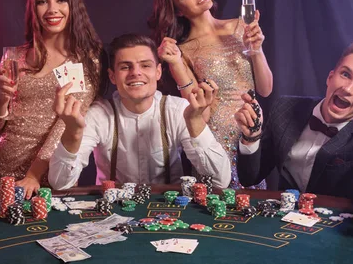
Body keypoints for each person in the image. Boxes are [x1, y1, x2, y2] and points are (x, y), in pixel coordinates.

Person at [235, 41, 353, 210]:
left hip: (334, 230)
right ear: (330, 77)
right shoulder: (285, 108)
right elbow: (250, 178)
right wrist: (251, 137)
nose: (347, 89)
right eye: (345, 74)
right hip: (282, 221)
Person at [48, 34, 232, 190]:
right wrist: (73, 133)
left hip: (172, 214)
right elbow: (60, 184)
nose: (136, 73)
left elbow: (220, 181)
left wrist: (195, 121)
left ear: (158, 72)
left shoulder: (178, 110)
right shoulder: (98, 114)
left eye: (145, 65)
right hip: (111, 216)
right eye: (125, 67)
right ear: (112, 76)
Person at [147, 0, 273, 189]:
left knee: (251, 207)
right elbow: (200, 114)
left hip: (250, 133)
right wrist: (176, 63)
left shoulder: (242, 26)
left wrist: (257, 50)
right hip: (216, 139)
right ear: (178, 11)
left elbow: (265, 90)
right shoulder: (183, 50)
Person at [0, 0, 103, 199]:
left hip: (48, 176)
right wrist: (1, 100)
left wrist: (33, 175)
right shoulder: (15, 56)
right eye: (42, 2)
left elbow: (64, 125)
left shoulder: (85, 60)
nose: (52, 9)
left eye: (61, 0)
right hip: (1, 172)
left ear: (73, 5)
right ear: (33, 8)